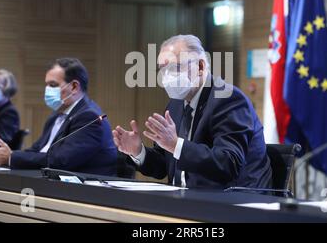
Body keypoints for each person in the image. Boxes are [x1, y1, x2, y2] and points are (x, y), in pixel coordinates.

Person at [113, 34, 272, 189]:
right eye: (163, 69)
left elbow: (228, 164)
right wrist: (138, 151)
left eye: (175, 67)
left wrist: (176, 145)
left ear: (201, 67)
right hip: (185, 201)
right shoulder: (175, 105)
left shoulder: (228, 99)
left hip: (234, 202)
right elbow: (163, 166)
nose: (167, 76)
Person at [0, 57, 117, 176]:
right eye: (46, 85)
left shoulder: (89, 117)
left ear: (74, 87)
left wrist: (11, 157)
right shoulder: (56, 116)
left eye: (52, 85)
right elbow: (37, 150)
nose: (47, 90)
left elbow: (61, 160)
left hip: (85, 195)